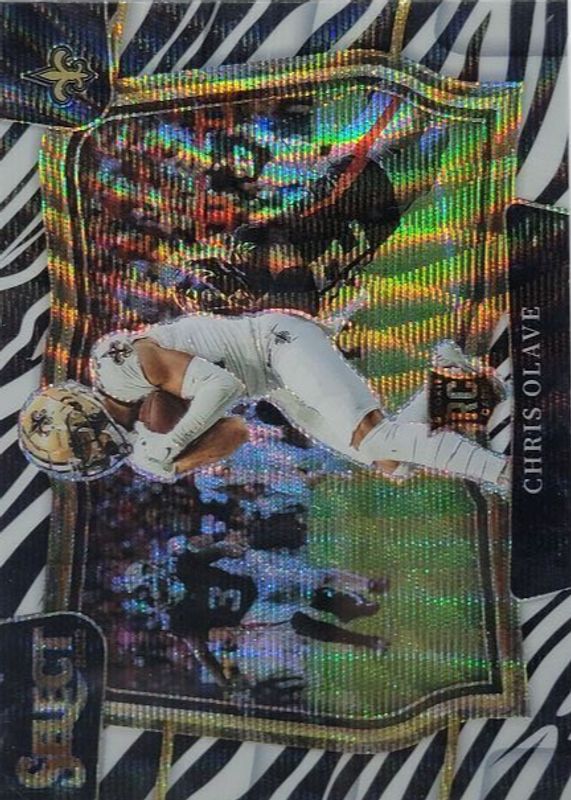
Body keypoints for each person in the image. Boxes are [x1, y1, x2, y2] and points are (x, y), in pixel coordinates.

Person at [80, 310, 509, 491]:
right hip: (273, 381)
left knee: (376, 438)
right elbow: (234, 432)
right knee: (391, 463)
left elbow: (223, 388)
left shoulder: (118, 365)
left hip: (275, 344)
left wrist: (173, 442)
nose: (95, 455)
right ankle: (451, 378)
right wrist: (177, 465)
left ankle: (504, 473)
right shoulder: (137, 435)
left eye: (83, 446)